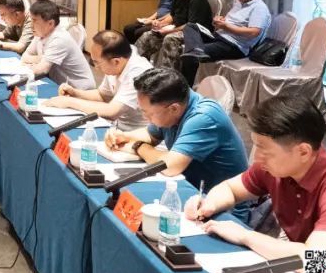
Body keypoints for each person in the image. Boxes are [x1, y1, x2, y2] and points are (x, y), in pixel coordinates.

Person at [185, 95, 326, 273]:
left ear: (303, 151)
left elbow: (316, 262)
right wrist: (209, 204)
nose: (257, 157)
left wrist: (245, 236)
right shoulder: (276, 167)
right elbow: (231, 189)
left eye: (264, 149)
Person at [105, 67, 250, 217]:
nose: (145, 117)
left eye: (147, 113)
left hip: (221, 210)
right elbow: (151, 135)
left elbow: (170, 166)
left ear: (174, 109)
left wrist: (138, 146)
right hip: (190, 193)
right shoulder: (173, 106)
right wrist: (124, 136)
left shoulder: (204, 117)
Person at [41, 30, 152, 131]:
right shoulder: (118, 60)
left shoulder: (138, 73)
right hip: (116, 128)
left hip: (138, 134)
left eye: (97, 63)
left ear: (116, 62)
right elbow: (102, 95)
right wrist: (75, 93)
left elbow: (112, 111)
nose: (96, 68)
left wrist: (70, 102)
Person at [179, 0, 272, 85]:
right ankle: (197, 50)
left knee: (190, 56)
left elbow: (254, 32)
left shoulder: (259, 8)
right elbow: (230, 21)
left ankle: (184, 89)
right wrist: (220, 20)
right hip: (219, 37)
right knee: (190, 27)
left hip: (234, 46)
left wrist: (226, 26)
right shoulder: (239, 3)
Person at [134, 0, 214, 65]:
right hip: (181, 29)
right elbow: (173, 16)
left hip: (198, 34)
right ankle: (137, 64)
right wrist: (160, 23)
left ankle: (169, 71)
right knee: (148, 35)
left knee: (170, 38)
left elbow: (191, 25)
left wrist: (168, 31)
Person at [19, 0, 95, 89]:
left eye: (35, 21)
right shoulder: (41, 33)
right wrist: (40, 58)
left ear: (50, 23)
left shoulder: (60, 39)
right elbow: (25, 56)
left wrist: (32, 63)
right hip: (61, 85)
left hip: (81, 90)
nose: (31, 25)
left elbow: (42, 69)